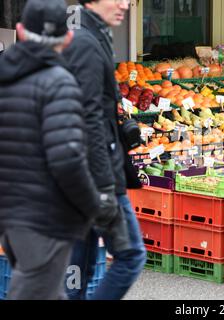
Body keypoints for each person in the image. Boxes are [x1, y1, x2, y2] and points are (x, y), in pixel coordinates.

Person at [0, 0, 101, 300]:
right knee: (33, 290)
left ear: (20, 30)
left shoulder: (5, 77)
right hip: (45, 216)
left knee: (46, 290)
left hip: (10, 213)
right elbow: (67, 160)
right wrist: (92, 205)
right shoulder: (60, 83)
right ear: (68, 37)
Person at [64, 0, 146, 300]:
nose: (126, 4)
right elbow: (86, 120)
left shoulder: (88, 33)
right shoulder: (85, 41)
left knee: (78, 269)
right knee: (131, 256)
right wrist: (103, 186)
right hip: (98, 177)